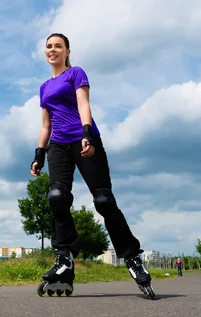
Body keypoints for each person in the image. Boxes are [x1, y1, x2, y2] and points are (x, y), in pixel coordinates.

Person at [30, 33, 152, 292]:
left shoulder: (75, 74)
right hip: (58, 145)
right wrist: (39, 153)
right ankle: (64, 258)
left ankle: (131, 256)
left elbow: (83, 104)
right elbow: (46, 124)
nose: (53, 50)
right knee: (57, 197)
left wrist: (87, 133)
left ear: (67, 51)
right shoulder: (44, 87)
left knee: (104, 200)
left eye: (58, 46)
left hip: (84, 140)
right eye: (49, 46)